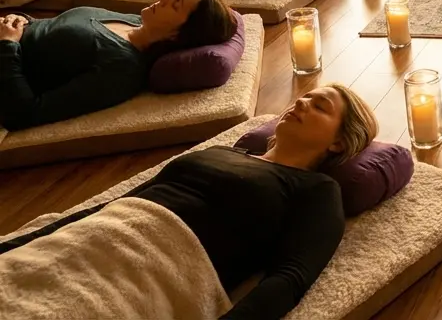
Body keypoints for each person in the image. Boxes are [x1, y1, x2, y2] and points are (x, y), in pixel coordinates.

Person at [0, 85, 377, 320]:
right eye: (305, 96)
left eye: (320, 106)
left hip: (156, 269)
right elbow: (118, 204)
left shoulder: (318, 190)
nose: (303, 101)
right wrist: (19, 244)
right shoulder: (217, 153)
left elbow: (290, 278)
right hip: (102, 234)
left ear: (339, 142)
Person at [0, 0, 237, 130]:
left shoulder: (122, 69)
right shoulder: (134, 20)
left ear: (178, 34)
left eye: (176, 5)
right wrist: (21, 20)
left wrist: (8, 45)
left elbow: (24, 113)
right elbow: (51, 32)